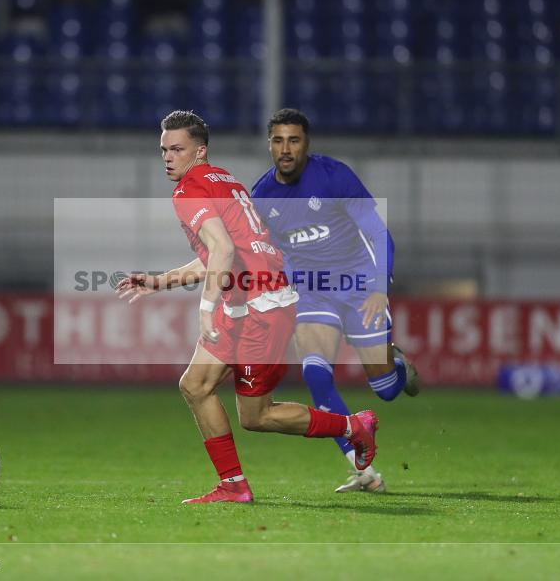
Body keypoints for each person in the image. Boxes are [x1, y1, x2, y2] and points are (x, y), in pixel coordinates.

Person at [115, 110, 380, 503]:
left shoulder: (189, 190)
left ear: (199, 150)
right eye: (163, 150)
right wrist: (160, 281)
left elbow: (221, 250)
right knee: (195, 385)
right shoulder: (225, 180)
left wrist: (205, 308)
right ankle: (233, 485)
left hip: (261, 308)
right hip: (249, 302)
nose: (167, 157)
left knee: (257, 416)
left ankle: (352, 427)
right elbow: (220, 253)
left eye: (177, 149)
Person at [250, 108, 420, 493]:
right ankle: (364, 471)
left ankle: (396, 365)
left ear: (306, 144)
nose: (285, 149)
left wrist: (380, 287)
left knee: (387, 391)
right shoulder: (261, 197)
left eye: (294, 140)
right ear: (270, 145)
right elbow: (269, 254)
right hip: (312, 290)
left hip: (361, 285)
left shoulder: (334, 176)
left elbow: (378, 232)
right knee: (315, 376)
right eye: (278, 140)